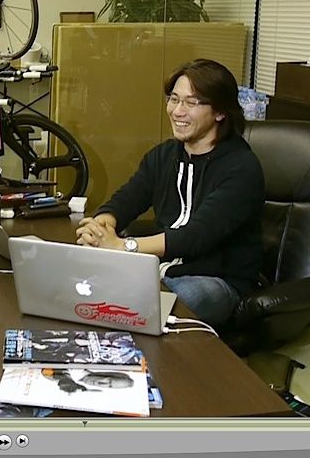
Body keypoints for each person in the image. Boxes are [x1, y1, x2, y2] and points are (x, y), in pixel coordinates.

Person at [75, 59, 264, 327]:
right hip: (159, 269)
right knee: (82, 273)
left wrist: (123, 246)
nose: (177, 111)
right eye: (174, 99)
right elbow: (127, 199)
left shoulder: (241, 168)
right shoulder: (163, 156)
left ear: (220, 112)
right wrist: (101, 226)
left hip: (216, 281)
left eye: (191, 103)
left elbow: (196, 236)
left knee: (182, 294)